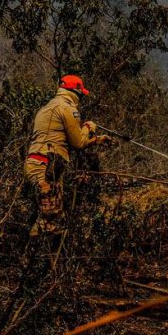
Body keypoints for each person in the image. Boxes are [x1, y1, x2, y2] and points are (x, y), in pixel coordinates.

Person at [24, 75, 112, 236]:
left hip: (37, 164)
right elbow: (78, 143)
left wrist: (97, 140)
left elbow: (56, 136)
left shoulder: (47, 107)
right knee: (53, 226)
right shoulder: (67, 108)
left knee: (44, 218)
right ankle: (42, 258)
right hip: (47, 167)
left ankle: (31, 253)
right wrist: (88, 127)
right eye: (81, 94)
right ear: (75, 92)